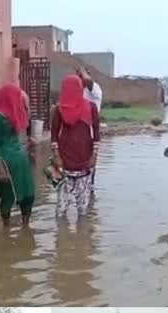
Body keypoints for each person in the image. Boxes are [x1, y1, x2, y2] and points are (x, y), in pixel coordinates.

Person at [51, 75, 101, 221]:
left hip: (84, 159)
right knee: (61, 207)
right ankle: (62, 240)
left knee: (83, 208)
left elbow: (96, 133)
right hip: (64, 161)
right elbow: (54, 134)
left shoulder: (91, 107)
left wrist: (94, 156)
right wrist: (57, 156)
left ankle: (81, 240)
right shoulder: (59, 110)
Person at [0, 83, 35, 227]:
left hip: (19, 159)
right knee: (8, 196)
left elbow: (21, 136)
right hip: (7, 160)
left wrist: (29, 149)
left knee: (27, 194)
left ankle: (24, 228)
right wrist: (1, 167)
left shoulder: (14, 114)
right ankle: (7, 229)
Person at [77, 68, 103, 192]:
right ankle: (82, 185)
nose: (80, 79)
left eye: (81, 76)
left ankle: (90, 185)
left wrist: (82, 72)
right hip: (78, 130)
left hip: (92, 130)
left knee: (91, 159)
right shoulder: (79, 91)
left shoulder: (95, 89)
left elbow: (87, 80)